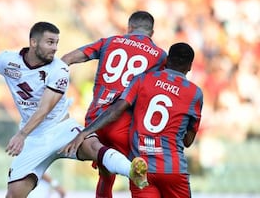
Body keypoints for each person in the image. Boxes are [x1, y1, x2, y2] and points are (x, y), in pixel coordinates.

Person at [0, 21, 148, 198]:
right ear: (33, 42)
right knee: (14, 194)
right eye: (50, 42)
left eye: (57, 43)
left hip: (60, 128)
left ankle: (132, 170)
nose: (55, 48)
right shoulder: (8, 61)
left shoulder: (59, 69)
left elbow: (45, 108)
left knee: (92, 145)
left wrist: (21, 134)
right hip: (33, 139)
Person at [62, 42, 203, 198]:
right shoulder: (195, 93)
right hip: (173, 169)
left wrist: (86, 132)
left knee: (106, 173)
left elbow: (116, 110)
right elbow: (188, 141)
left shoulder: (142, 80)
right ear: (190, 66)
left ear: (167, 60)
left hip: (140, 167)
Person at [61, 10, 167, 197]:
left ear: (129, 27)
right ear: (152, 33)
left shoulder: (109, 42)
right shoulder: (159, 56)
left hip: (95, 119)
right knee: (137, 173)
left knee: (106, 174)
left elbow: (67, 59)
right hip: (123, 123)